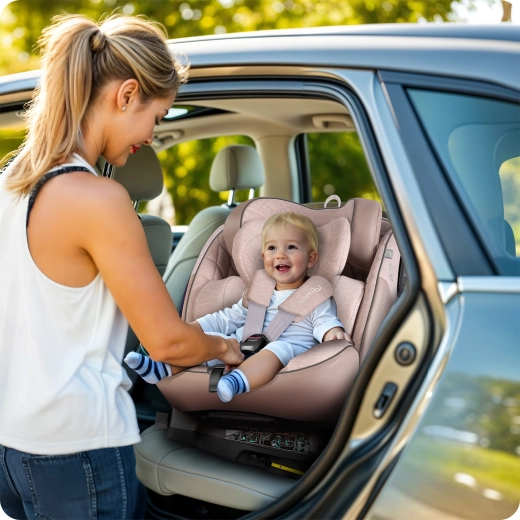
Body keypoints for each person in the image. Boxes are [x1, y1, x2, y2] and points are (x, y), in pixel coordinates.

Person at [0, 14, 243, 520]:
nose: (152, 136)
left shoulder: (11, 186)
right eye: (158, 117)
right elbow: (168, 344)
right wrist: (225, 347)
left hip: (13, 446)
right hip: (78, 448)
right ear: (127, 94)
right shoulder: (99, 199)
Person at [126, 212, 349, 402]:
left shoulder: (315, 294)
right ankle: (162, 368)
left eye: (291, 247)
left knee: (277, 349)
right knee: (213, 340)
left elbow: (325, 321)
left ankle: (235, 382)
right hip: (243, 349)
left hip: (288, 352)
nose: (280, 254)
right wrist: (196, 329)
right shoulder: (259, 290)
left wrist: (333, 332)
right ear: (263, 257)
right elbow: (230, 317)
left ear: (311, 259)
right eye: (272, 248)